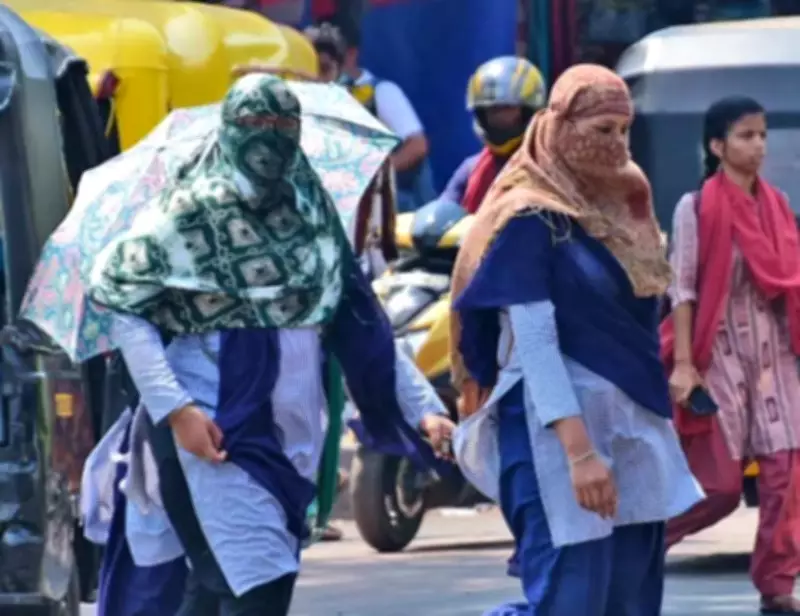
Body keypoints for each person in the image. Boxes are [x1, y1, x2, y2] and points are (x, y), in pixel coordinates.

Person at [88, 73, 454, 616]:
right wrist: (177, 410)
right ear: (230, 130)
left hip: (292, 439)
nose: (270, 137)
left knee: (222, 591)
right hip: (212, 429)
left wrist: (423, 409)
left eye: (284, 123)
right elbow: (120, 301)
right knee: (257, 589)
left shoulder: (311, 215)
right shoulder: (187, 214)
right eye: (256, 124)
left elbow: (360, 322)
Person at [450, 64, 702, 615]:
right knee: (569, 602)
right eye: (599, 130)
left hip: (633, 433)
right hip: (555, 440)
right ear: (560, 126)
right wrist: (580, 453)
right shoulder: (528, 214)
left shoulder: (627, 205)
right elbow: (536, 344)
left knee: (630, 603)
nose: (614, 145)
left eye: (622, 130)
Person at [661, 96, 800, 615]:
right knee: (718, 486)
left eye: (762, 135)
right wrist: (684, 365)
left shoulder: (779, 205)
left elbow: (790, 282)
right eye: (746, 136)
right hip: (718, 354)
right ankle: (643, 544)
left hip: (775, 357)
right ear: (717, 146)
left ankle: (777, 586)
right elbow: (683, 290)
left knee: (786, 474)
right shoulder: (695, 208)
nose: (758, 145)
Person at [333, 18, 435, 213]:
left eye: (328, 64)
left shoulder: (382, 91)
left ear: (352, 54)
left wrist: (374, 176)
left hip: (391, 208)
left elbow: (417, 145)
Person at [459, 56, 547, 213]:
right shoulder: (471, 168)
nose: (498, 118)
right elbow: (446, 210)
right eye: (492, 110)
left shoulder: (550, 169)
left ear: (528, 111)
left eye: (507, 108)